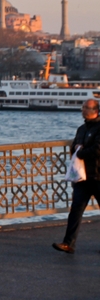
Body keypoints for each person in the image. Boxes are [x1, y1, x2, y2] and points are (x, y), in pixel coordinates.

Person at [53, 99, 100, 254]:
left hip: (98, 176)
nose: (83, 110)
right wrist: (76, 150)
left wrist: (80, 152)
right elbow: (74, 146)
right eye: (83, 107)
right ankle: (68, 243)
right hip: (82, 178)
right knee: (76, 210)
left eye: (86, 107)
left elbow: (97, 150)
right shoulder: (81, 129)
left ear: (95, 110)